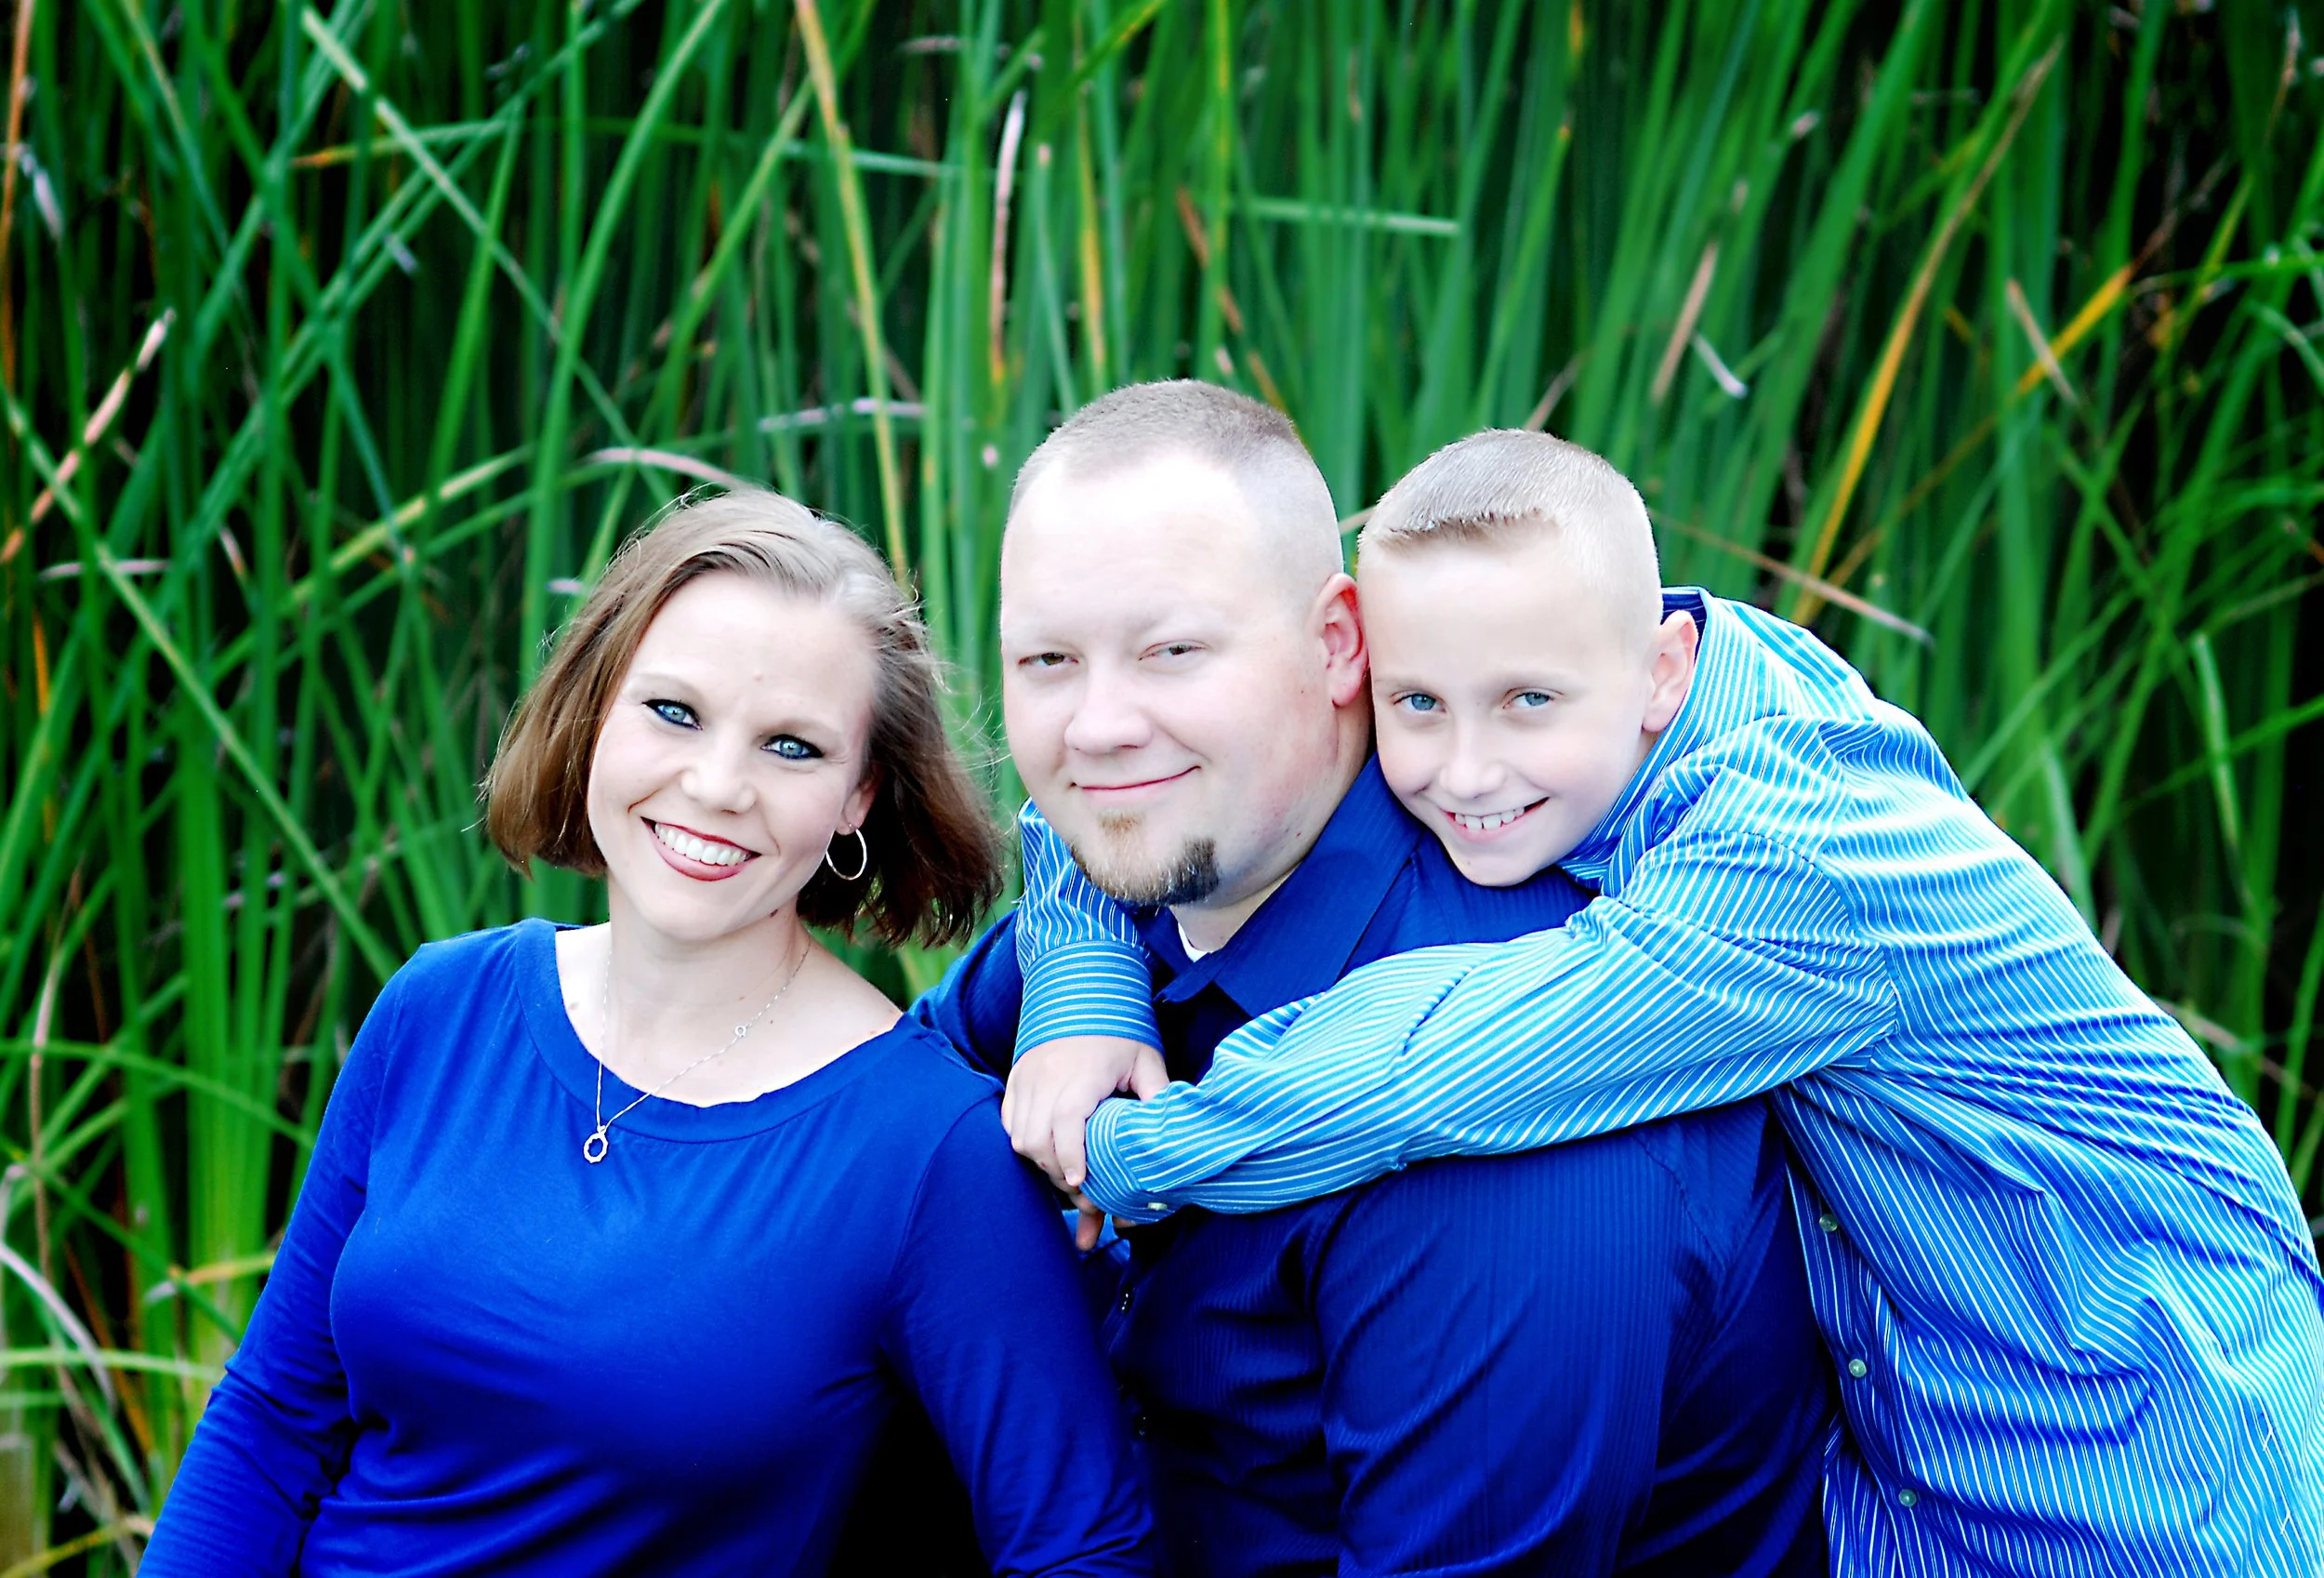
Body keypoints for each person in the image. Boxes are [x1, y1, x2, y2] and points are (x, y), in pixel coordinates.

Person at [1009, 427, 2324, 1573]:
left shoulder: (1787, 863)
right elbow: (1109, 781)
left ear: (1664, 671)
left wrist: (1124, 1155)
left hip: (2147, 1446)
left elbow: (1430, 1071)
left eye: (1525, 703)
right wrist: (1075, 985)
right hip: (1917, 1466)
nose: (1465, 769)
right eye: (1420, 704)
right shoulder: (1595, 662)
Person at [913, 381, 1836, 1576]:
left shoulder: (1503, 1104)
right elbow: (881, 1158)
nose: (1095, 728)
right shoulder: (1144, 885)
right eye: (1046, 660)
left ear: (1337, 642)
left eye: (1172, 651)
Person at [141, 488, 1151, 1577]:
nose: (716, 786)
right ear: (596, 713)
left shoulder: (924, 1150)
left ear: (859, 797)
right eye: (673, 712)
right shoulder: (440, 1006)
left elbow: (1081, 1546)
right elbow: (272, 1420)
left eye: (791, 747)